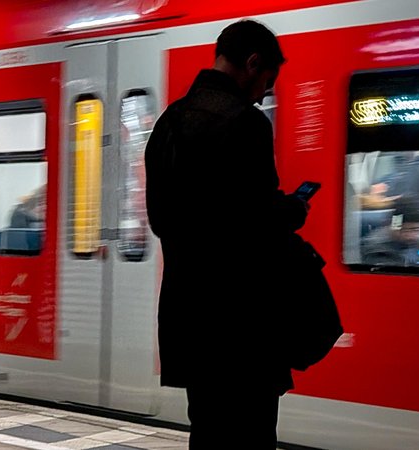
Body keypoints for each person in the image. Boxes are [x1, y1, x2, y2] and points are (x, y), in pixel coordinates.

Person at [144, 19, 308, 449]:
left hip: (190, 316)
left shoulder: (169, 123)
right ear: (252, 63)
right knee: (251, 433)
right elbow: (259, 218)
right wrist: (293, 208)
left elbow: (160, 219)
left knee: (210, 429)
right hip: (242, 321)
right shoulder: (246, 124)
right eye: (267, 80)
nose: (266, 92)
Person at [361, 199, 419, 268]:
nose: (412, 236)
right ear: (393, 226)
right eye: (407, 230)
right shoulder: (375, 248)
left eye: (417, 230)